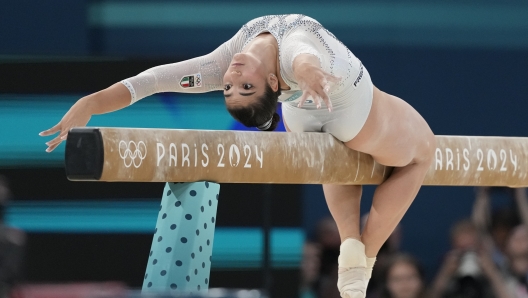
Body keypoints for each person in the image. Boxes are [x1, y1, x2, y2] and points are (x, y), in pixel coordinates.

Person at [40, 14, 435, 298]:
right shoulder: (288, 54)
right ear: (274, 84)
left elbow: (153, 81)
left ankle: (350, 241)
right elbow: (301, 51)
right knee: (423, 152)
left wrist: (91, 101)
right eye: (245, 85)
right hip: (348, 102)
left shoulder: (224, 62)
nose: (232, 78)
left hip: (306, 108)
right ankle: (364, 255)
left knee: (332, 158)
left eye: (232, 88)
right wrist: (311, 73)